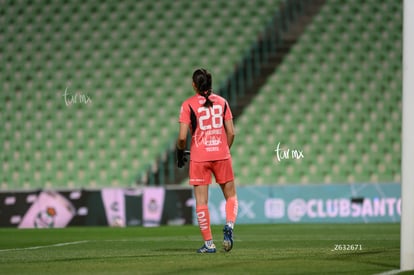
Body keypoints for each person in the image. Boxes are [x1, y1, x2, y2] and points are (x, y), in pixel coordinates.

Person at [176, 68, 238, 253]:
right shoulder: (222, 102)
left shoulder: (188, 105)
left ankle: (209, 244)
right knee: (231, 196)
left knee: (202, 202)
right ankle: (229, 226)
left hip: (199, 157)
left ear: (194, 85)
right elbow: (232, 132)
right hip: (221, 154)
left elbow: (181, 138)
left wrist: (180, 152)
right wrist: (223, 149)